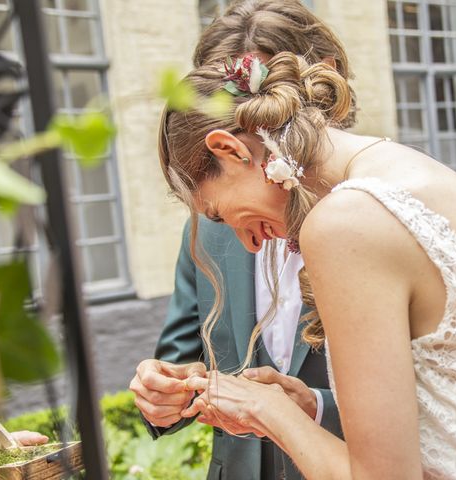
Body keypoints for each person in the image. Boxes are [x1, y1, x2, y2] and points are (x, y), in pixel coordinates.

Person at [156, 21, 456, 480]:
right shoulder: (419, 178)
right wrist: (308, 405)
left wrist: (267, 409)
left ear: (230, 150)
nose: (246, 240)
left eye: (216, 212)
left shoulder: (345, 221)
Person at [130, 1, 350, 478]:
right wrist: (163, 393)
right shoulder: (210, 224)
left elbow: (433, 398)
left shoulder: (373, 215)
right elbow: (185, 356)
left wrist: (312, 407)